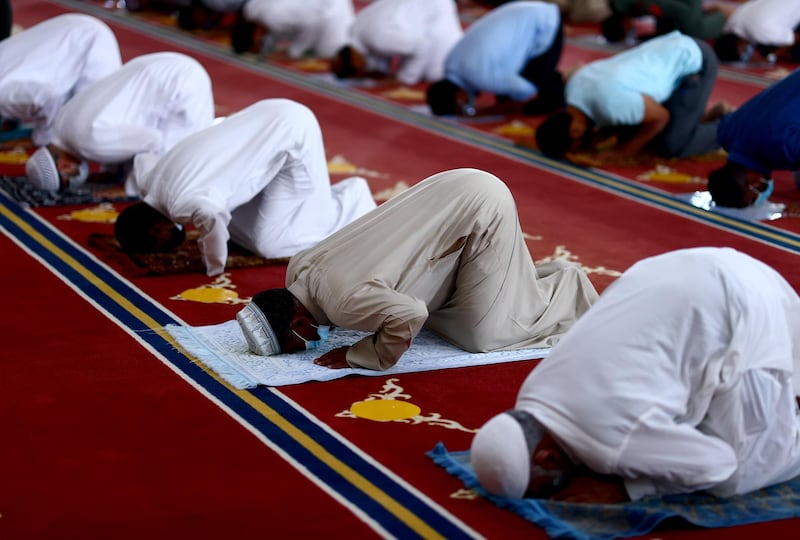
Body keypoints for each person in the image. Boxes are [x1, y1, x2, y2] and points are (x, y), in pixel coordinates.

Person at [472, 247, 800, 503]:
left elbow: (718, 465)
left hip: (747, 307)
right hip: (689, 266)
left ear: (548, 456)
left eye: (545, 487)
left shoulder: (610, 446)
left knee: (740, 475)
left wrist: (629, 487)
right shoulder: (532, 394)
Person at [235, 168, 599, 371]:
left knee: (482, 336)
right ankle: (516, 283)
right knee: (443, 313)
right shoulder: (298, 268)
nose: (302, 348)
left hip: (482, 207)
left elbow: (412, 312)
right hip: (451, 185)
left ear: (299, 324)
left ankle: (566, 285)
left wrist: (359, 354)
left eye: (293, 344)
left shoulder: (345, 303)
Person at [115, 99, 376, 277]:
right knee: (242, 226)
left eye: (160, 244)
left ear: (157, 229)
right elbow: (143, 158)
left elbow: (213, 222)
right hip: (267, 113)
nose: (167, 246)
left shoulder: (183, 205)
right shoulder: (149, 182)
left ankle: (354, 199)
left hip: (292, 137)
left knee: (272, 244)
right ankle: (319, 202)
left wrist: (213, 266)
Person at [25, 52, 214, 193]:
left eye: (69, 179)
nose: (75, 176)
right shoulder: (61, 124)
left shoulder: (88, 144)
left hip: (182, 87)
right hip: (164, 64)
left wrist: (128, 188)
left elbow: (153, 140)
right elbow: (117, 126)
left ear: (63, 167)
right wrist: (112, 172)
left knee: (172, 176)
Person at [535, 30, 728, 163]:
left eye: (576, 147)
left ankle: (730, 124)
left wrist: (623, 153)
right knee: (630, 131)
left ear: (575, 131)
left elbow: (661, 118)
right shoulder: (572, 91)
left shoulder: (611, 106)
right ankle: (703, 117)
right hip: (671, 46)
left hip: (695, 64)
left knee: (672, 145)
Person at [426, 1, 567, 117]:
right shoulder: (450, 64)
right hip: (527, 10)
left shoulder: (479, 77)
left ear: (457, 97)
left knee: (540, 92)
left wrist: (490, 112)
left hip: (545, 23)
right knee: (506, 89)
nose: (466, 105)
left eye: (461, 106)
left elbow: (526, 91)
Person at [0, 14, 121, 145]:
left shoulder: (3, 95)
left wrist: (40, 138)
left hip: (90, 44)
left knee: (82, 132)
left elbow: (51, 97)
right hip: (79, 29)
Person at [707, 68, 800, 208]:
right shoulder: (726, 134)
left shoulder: (787, 148)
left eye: (753, 198)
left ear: (753, 183)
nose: (758, 198)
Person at [330, 0, 463, 86]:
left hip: (436, 12)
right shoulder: (356, 28)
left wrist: (404, 79)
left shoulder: (377, 38)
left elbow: (423, 46)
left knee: (438, 75)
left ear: (356, 63)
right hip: (426, 10)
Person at [234, 0, 354, 58]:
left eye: (259, 44)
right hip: (320, 8)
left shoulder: (273, 18)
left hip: (331, 12)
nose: (262, 46)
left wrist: (295, 51)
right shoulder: (251, 9)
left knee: (330, 52)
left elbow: (312, 23)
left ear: (255, 35)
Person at [712, 0, 800, 64]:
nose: (746, 54)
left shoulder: (761, 33)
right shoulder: (735, 20)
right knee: (765, 47)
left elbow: (795, 38)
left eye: (742, 54)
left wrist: (770, 57)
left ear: (738, 46)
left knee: (797, 55)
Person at [601, 0, 730, 44]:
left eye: (628, 32)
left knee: (691, 31)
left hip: (683, 6)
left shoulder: (643, 4)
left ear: (624, 25)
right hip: (674, 8)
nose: (631, 30)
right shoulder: (619, 6)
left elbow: (680, 11)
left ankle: (722, 15)